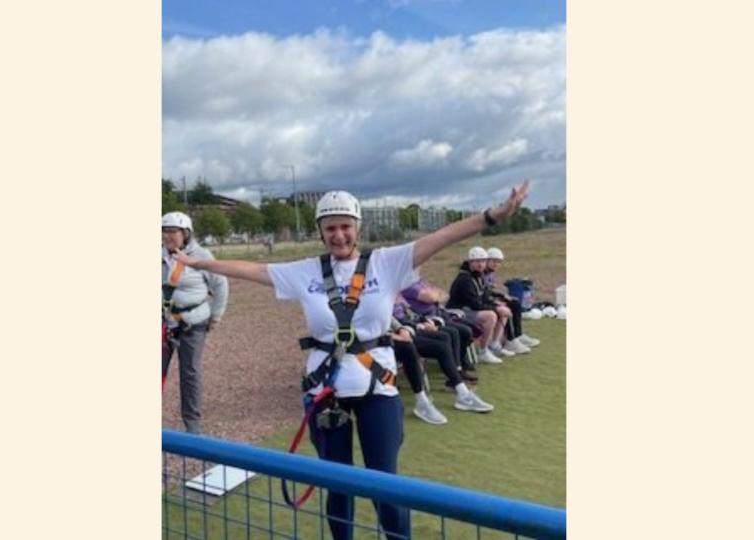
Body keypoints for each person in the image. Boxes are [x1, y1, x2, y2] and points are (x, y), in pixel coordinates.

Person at [173, 181, 530, 540]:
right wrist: (198, 262)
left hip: (378, 389)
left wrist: (492, 215)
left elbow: (444, 236)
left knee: (385, 486)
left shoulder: (387, 263)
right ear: (320, 232)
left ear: (357, 227)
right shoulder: (306, 271)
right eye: (330, 228)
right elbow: (251, 269)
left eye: (346, 226)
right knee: (337, 486)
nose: (339, 235)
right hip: (326, 392)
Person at [161, 212, 229, 434]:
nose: (167, 236)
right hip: (165, 323)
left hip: (193, 324)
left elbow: (220, 285)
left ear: (186, 234)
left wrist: (216, 316)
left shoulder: (201, 256)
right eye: (164, 231)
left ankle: (192, 426)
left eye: (173, 232)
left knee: (189, 373)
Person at [393, 295, 493, 412]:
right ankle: (429, 399)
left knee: (445, 337)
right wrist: (411, 327)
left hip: (408, 329)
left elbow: (408, 313)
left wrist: (423, 322)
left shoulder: (392, 293)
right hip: (396, 336)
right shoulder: (379, 297)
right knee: (433, 347)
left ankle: (460, 388)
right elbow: (391, 320)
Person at [446, 247, 526, 363]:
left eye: (483, 261)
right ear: (470, 262)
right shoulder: (465, 279)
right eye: (477, 261)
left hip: (469, 309)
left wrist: (498, 305)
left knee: (502, 310)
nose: (480, 264)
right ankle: (482, 351)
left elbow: (484, 296)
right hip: (458, 311)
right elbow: (475, 304)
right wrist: (496, 308)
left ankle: (495, 345)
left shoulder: (478, 276)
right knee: (491, 315)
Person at [388, 319, 449, 425]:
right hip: (362, 344)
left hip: (386, 338)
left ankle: (422, 401)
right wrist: (391, 336)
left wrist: (401, 329)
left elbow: (389, 317)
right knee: (408, 348)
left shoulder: (380, 303)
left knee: (408, 347)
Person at [484, 247, 540, 349]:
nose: (496, 264)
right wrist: (498, 300)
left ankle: (518, 335)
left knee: (515, 302)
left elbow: (490, 291)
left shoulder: (491, 274)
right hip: (483, 302)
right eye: (493, 261)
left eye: (498, 262)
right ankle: (510, 339)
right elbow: (483, 292)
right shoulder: (482, 274)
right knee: (508, 306)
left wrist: (502, 296)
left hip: (488, 299)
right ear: (486, 260)